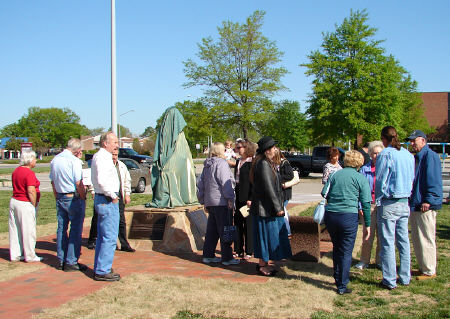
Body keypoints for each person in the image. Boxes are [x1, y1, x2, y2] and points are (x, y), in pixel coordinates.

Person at [322, 150, 371, 294]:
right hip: (348, 216)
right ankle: (342, 285)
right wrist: (367, 224)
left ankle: (338, 277)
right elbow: (366, 204)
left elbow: (324, 192)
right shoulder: (360, 178)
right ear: (359, 163)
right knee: (346, 250)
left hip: (331, 215)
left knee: (337, 247)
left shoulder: (336, 174)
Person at [375, 126, 415, 290]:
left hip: (390, 202)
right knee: (403, 241)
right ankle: (405, 276)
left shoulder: (386, 154)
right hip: (404, 201)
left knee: (388, 243)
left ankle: (390, 279)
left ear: (384, 139)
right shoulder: (408, 154)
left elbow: (380, 179)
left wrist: (378, 198)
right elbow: (412, 177)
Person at [250, 136, 292, 276]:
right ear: (267, 150)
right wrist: (278, 208)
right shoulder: (263, 163)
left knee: (267, 238)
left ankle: (264, 264)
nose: (275, 149)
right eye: (273, 147)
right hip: (265, 210)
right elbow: (269, 188)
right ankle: (262, 266)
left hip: (266, 209)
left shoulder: (265, 162)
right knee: (265, 238)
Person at [197, 142, 240, 266]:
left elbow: (201, 184)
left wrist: (203, 201)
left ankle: (208, 255)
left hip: (211, 202)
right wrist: (230, 198)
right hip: (222, 202)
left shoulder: (207, 165)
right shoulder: (221, 164)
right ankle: (227, 258)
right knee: (225, 230)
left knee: (212, 231)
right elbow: (225, 183)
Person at [408, 129, 443, 280]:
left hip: (425, 205)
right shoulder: (418, 158)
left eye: (413, 141)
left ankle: (429, 270)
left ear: (423, 140)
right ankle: (423, 267)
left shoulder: (430, 157)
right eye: (410, 141)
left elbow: (433, 180)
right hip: (416, 203)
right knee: (417, 238)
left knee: (426, 238)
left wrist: (429, 200)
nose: (411, 144)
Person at [50, 138, 87, 271]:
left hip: (60, 196)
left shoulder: (55, 160)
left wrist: (56, 196)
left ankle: (61, 259)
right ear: (77, 150)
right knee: (75, 229)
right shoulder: (74, 161)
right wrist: (83, 196)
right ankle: (71, 260)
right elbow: (78, 182)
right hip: (72, 197)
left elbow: (53, 181)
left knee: (61, 228)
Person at [91, 131, 121, 281]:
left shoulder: (101, 157)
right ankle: (102, 270)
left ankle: (101, 266)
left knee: (103, 237)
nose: (117, 145)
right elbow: (102, 181)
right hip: (107, 199)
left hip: (103, 198)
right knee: (109, 237)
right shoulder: (102, 158)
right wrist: (113, 196)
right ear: (105, 143)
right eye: (114, 142)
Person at [354, 141, 384, 270]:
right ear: (370, 154)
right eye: (374, 153)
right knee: (367, 234)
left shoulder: (386, 168)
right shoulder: (364, 170)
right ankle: (364, 260)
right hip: (369, 205)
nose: (376, 155)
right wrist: (360, 206)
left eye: (379, 153)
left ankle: (380, 260)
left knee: (382, 235)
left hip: (383, 205)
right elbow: (359, 190)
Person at [9, 150, 42, 262]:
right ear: (29, 160)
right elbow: (31, 190)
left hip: (14, 200)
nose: (35, 160)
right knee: (28, 230)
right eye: (34, 158)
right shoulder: (29, 173)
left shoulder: (16, 171)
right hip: (24, 202)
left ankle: (15, 254)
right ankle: (30, 255)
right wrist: (33, 204)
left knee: (15, 228)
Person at [233, 139, 256, 259]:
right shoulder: (238, 161)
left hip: (247, 196)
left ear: (246, 148)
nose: (236, 149)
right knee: (237, 222)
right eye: (236, 147)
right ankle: (238, 249)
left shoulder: (252, 162)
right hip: (237, 194)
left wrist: (251, 198)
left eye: (239, 147)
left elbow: (254, 182)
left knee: (248, 224)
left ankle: (249, 250)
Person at [112, 150, 135, 252]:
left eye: (116, 155)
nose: (114, 157)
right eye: (112, 155)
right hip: (109, 198)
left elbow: (127, 180)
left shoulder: (121, 166)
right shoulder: (106, 166)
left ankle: (124, 244)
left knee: (121, 221)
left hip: (119, 197)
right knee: (109, 222)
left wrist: (127, 194)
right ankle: (111, 244)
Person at [273, 148, 294, 237]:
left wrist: (278, 179)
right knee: (283, 210)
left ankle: (287, 230)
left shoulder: (285, 163)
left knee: (283, 211)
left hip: (284, 192)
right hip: (278, 192)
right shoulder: (274, 164)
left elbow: (290, 175)